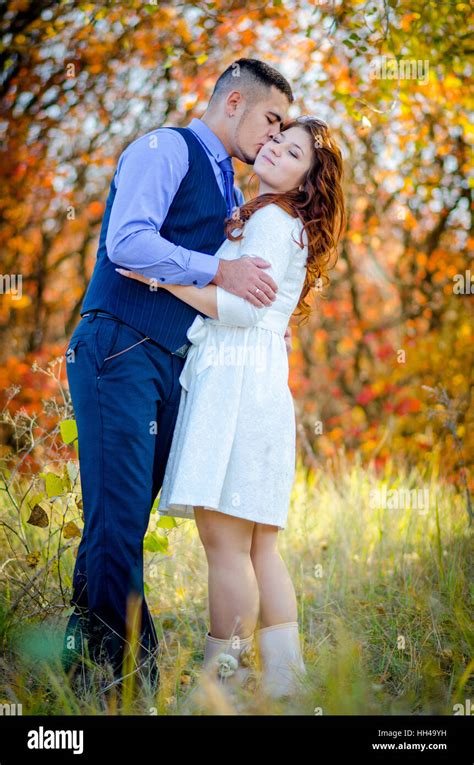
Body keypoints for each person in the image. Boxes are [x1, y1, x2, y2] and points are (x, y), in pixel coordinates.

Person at [61, 58, 294, 692]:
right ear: (235, 101)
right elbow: (127, 243)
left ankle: (84, 670)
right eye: (271, 120)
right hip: (118, 349)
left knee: (122, 517)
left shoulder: (229, 190)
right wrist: (219, 272)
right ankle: (131, 676)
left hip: (170, 364)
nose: (273, 137)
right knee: (116, 516)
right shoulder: (165, 148)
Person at [116, 115, 347, 699]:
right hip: (259, 383)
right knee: (258, 544)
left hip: (237, 385)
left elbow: (239, 309)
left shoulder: (271, 218)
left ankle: (226, 680)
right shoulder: (286, 223)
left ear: (305, 181)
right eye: (275, 138)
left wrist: (158, 279)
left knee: (224, 543)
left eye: (291, 151)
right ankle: (286, 682)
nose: (272, 148)